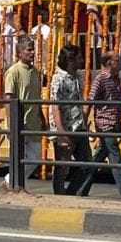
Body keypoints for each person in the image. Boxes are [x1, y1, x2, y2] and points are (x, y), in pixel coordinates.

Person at [77, 50, 121, 199]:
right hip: (105, 124)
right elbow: (90, 101)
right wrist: (84, 123)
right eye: (118, 60)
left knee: (98, 159)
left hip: (115, 123)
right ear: (110, 63)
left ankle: (80, 189)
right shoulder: (100, 80)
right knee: (115, 157)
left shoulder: (116, 79)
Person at [2, 35, 43, 190]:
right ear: (20, 52)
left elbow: (36, 97)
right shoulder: (14, 72)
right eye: (29, 50)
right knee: (20, 157)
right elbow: (9, 98)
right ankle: (14, 184)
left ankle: (10, 182)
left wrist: (41, 118)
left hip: (33, 122)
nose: (32, 53)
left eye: (33, 50)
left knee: (34, 158)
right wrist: (12, 123)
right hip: (19, 121)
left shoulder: (34, 72)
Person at [48, 44, 90, 196]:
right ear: (70, 60)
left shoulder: (79, 76)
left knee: (87, 164)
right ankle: (59, 195)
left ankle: (73, 193)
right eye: (78, 58)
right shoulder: (58, 79)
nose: (81, 61)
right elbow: (55, 106)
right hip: (65, 128)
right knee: (62, 167)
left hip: (78, 126)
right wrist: (60, 132)